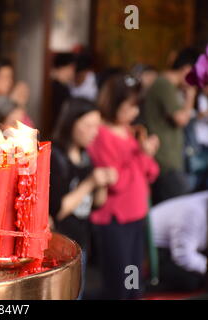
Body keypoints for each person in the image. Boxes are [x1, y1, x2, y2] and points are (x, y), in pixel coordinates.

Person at [89, 74, 160, 300]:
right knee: (118, 287)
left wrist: (145, 153)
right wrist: (141, 154)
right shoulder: (100, 135)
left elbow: (151, 172)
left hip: (136, 215)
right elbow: (115, 181)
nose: (135, 113)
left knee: (134, 283)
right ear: (113, 103)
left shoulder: (128, 130)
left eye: (136, 107)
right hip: (115, 219)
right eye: (130, 107)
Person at [49, 98, 117, 298]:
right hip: (60, 248)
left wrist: (102, 184)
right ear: (71, 123)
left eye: (97, 126)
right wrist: (89, 183)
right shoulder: (55, 157)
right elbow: (56, 210)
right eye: (88, 125)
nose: (94, 132)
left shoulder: (87, 156)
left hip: (81, 243)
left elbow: (96, 204)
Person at [144, 48, 199, 204]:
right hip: (165, 160)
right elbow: (181, 119)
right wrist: (190, 96)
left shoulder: (169, 86)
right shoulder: (164, 85)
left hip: (169, 159)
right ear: (187, 69)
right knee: (180, 205)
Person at [149, 191, 208, 292]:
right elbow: (183, 256)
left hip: (181, 246)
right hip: (155, 249)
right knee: (190, 282)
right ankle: (146, 287)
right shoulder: (193, 213)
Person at [48, 53, 76, 139]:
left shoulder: (62, 86)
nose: (73, 71)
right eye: (72, 68)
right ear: (65, 67)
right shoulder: (58, 88)